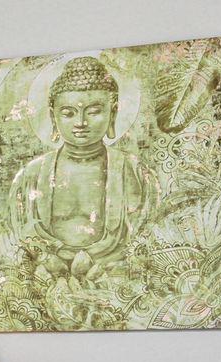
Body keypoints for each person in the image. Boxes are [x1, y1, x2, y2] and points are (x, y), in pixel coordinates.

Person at [8, 55, 145, 285]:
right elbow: (20, 235)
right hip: (46, 278)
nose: (80, 122)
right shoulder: (31, 175)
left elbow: (143, 236)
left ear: (113, 113)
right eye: (68, 113)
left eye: (93, 111)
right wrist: (46, 259)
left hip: (115, 280)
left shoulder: (132, 171)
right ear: (53, 116)